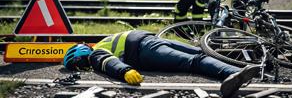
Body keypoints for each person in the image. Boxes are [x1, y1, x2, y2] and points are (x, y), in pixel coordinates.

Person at [63, 30, 260, 98]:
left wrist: (125, 71)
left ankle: (233, 75)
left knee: (194, 62)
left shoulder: (95, 52)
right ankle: (240, 71)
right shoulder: (103, 42)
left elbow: (108, 61)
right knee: (199, 55)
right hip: (152, 39)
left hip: (146, 50)